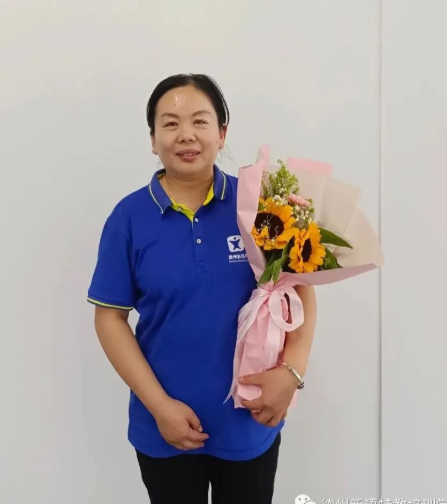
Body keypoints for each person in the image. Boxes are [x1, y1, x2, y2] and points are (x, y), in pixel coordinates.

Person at [87, 73, 317, 504]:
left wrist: (292, 372)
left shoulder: (260, 205)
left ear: (222, 133)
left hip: (250, 420)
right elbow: (110, 318)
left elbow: (300, 289)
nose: (186, 135)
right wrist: (160, 406)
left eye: (199, 121)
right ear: (153, 139)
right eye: (170, 124)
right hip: (165, 427)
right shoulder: (128, 218)